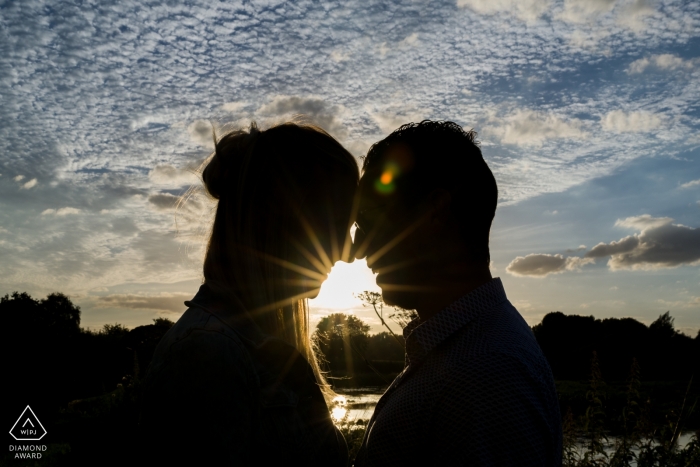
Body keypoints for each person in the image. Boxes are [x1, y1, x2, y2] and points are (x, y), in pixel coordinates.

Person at [140, 121, 358, 466]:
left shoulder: (262, 348)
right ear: (285, 219)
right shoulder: (207, 355)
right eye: (338, 225)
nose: (350, 252)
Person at [351, 121, 562, 466]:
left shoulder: (485, 374)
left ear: (433, 212)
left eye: (368, 220)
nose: (358, 249)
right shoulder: (466, 352)